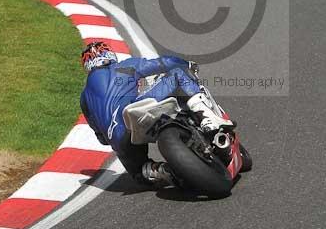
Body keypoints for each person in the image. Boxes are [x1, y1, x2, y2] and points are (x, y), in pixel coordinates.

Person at [79, 42, 232, 187]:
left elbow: (101, 137)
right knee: (177, 74)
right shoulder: (123, 66)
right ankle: (206, 118)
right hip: (133, 110)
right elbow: (162, 63)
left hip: (118, 139)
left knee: (139, 173)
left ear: (87, 66)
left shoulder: (84, 97)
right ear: (109, 55)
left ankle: (159, 171)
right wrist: (186, 64)